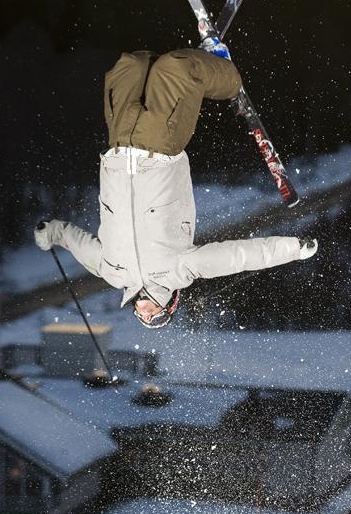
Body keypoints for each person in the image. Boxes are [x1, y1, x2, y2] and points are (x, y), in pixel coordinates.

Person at [35, 38, 317, 328]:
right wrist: (293, 250)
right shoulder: (179, 270)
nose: (146, 315)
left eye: (143, 319)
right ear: (171, 303)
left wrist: (52, 233)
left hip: (118, 146)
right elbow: (238, 257)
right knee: (177, 69)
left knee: (130, 65)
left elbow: (76, 242)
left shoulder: (111, 272)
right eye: (157, 318)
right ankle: (228, 76)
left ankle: (169, 66)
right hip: (160, 148)